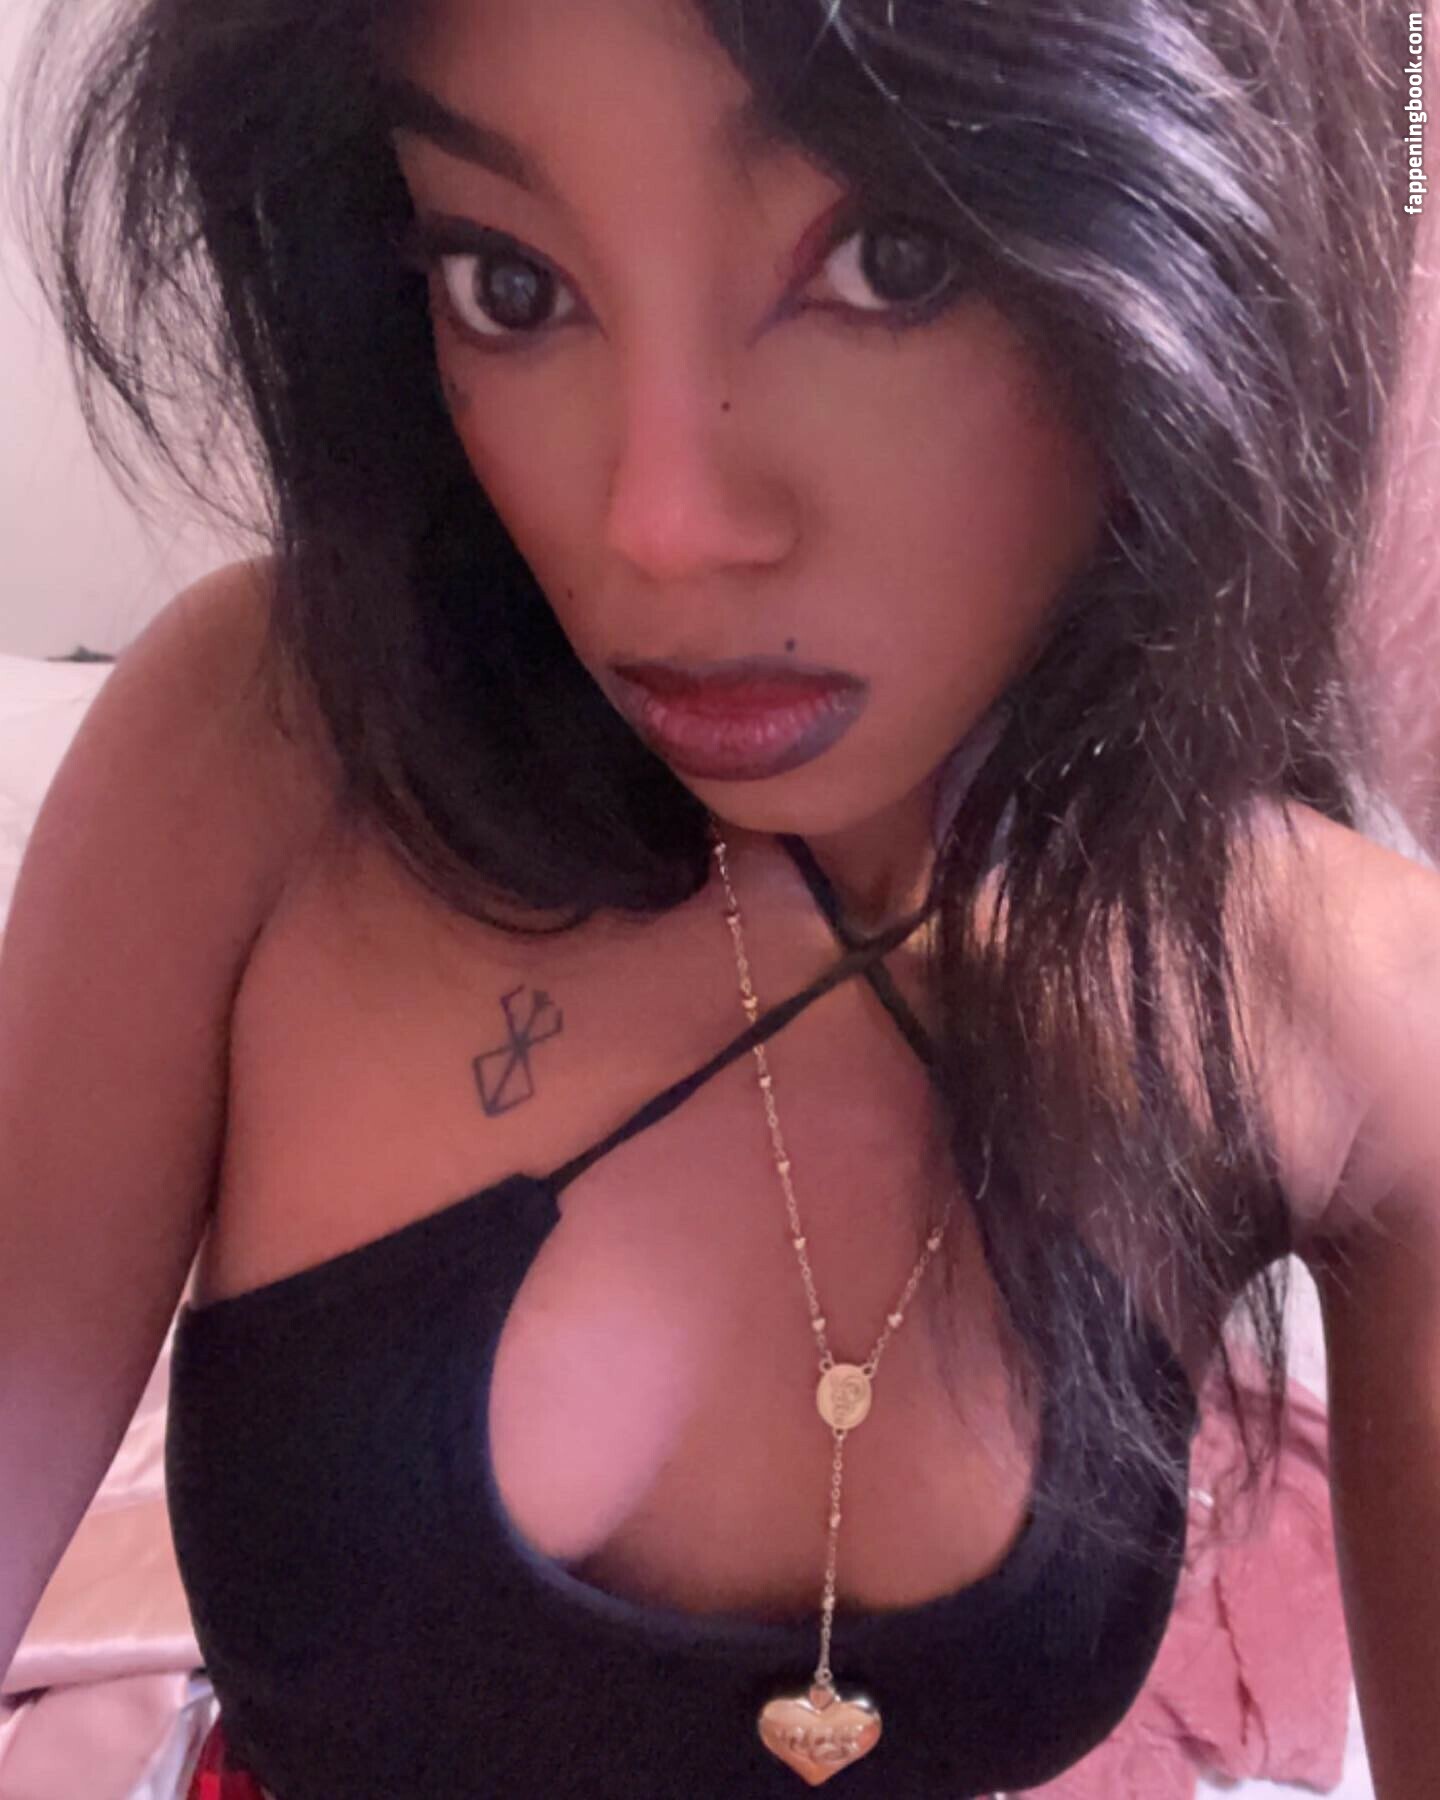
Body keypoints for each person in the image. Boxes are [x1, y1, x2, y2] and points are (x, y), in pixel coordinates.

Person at [2, 0, 1438, 1793]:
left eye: (892, 263)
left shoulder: (1348, 1009)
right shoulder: (270, 747)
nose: (658, 523)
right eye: (509, 286)